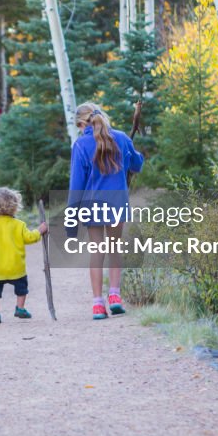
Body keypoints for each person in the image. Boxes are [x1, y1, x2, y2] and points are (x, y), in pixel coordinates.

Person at [67, 102, 144, 320]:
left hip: (93, 206)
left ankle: (97, 304)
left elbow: (76, 186)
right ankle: (115, 297)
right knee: (114, 248)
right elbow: (137, 165)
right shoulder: (121, 138)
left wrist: (71, 219)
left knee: (97, 251)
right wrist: (134, 153)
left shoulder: (81, 145)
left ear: (82, 124)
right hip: (117, 202)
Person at [0, 188, 47, 323]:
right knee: (21, 288)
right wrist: (39, 231)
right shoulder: (19, 225)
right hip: (15, 267)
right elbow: (30, 238)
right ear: (15, 206)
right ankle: (20, 308)